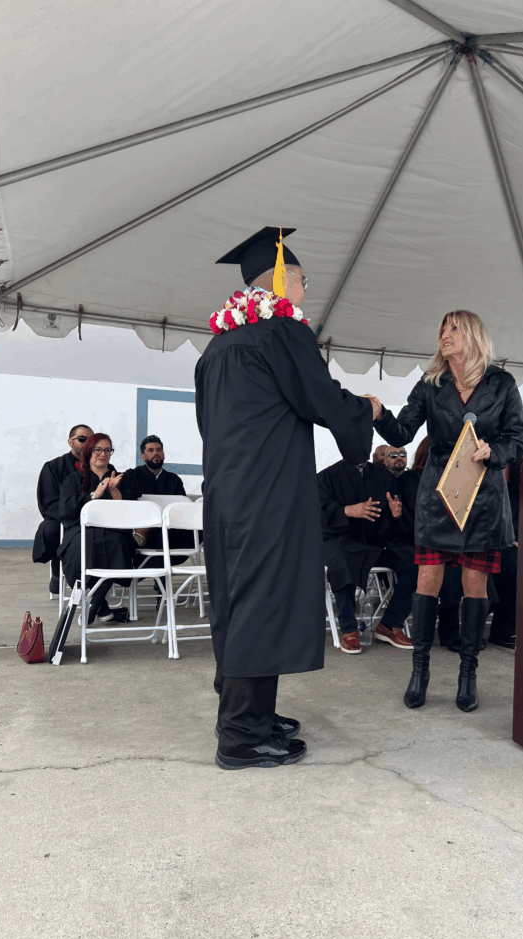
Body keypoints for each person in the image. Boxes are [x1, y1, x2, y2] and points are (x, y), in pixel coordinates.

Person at [196, 226, 374, 771]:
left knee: (240, 598)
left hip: (228, 494)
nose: (304, 291)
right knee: (260, 601)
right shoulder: (279, 331)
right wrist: (366, 411)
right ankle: (241, 736)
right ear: (279, 279)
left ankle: (254, 712)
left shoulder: (216, 348)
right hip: (269, 492)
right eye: (301, 280)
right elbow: (320, 397)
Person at [368, 310, 523, 712]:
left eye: (454, 329)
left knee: (475, 588)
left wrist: (495, 451)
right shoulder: (430, 385)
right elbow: (403, 433)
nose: (445, 335)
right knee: (427, 581)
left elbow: (517, 439)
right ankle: (419, 671)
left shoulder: (502, 383)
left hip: (483, 497)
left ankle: (468, 674)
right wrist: (380, 415)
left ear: (473, 335)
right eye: (442, 329)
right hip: (437, 497)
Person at [318, 451, 416, 655]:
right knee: (341, 560)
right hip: (340, 542)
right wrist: (346, 511)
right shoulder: (326, 476)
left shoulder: (386, 477)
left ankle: (390, 624)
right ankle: (349, 629)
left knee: (415, 562)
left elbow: (389, 527)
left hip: (374, 544)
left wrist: (395, 515)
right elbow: (317, 513)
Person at [58, 433, 137, 624]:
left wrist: (113, 491)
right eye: (98, 449)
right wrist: (94, 495)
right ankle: (100, 606)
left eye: (107, 450)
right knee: (80, 548)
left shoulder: (119, 479)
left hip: (114, 531)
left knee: (117, 545)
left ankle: (94, 606)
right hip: (81, 530)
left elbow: (129, 512)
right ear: (89, 452)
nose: (103, 454)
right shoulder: (73, 479)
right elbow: (66, 509)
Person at [399, 437, 463, 652]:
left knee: (457, 569)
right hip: (417, 538)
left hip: (449, 539)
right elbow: (415, 510)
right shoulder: (410, 478)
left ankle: (451, 632)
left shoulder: (455, 479)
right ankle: (424, 636)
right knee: (440, 569)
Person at [32, 424, 93, 592]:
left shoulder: (99, 467)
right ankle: (58, 570)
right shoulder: (53, 467)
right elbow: (49, 502)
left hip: (93, 518)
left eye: (92, 440)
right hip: (63, 518)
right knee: (50, 529)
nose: (87, 444)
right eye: (82, 439)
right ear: (70, 442)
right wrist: (72, 517)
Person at [123, 435, 192, 568]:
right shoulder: (132, 476)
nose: (156, 453)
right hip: (145, 534)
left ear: (164, 454)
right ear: (143, 456)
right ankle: (163, 584)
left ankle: (163, 584)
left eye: (159, 450)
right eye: (151, 450)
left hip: (172, 533)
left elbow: (182, 509)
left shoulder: (174, 480)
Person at [487, 457, 522, 650]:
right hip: (487, 543)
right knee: (510, 561)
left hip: (515, 544)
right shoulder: (485, 487)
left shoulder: (520, 489)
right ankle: (503, 630)